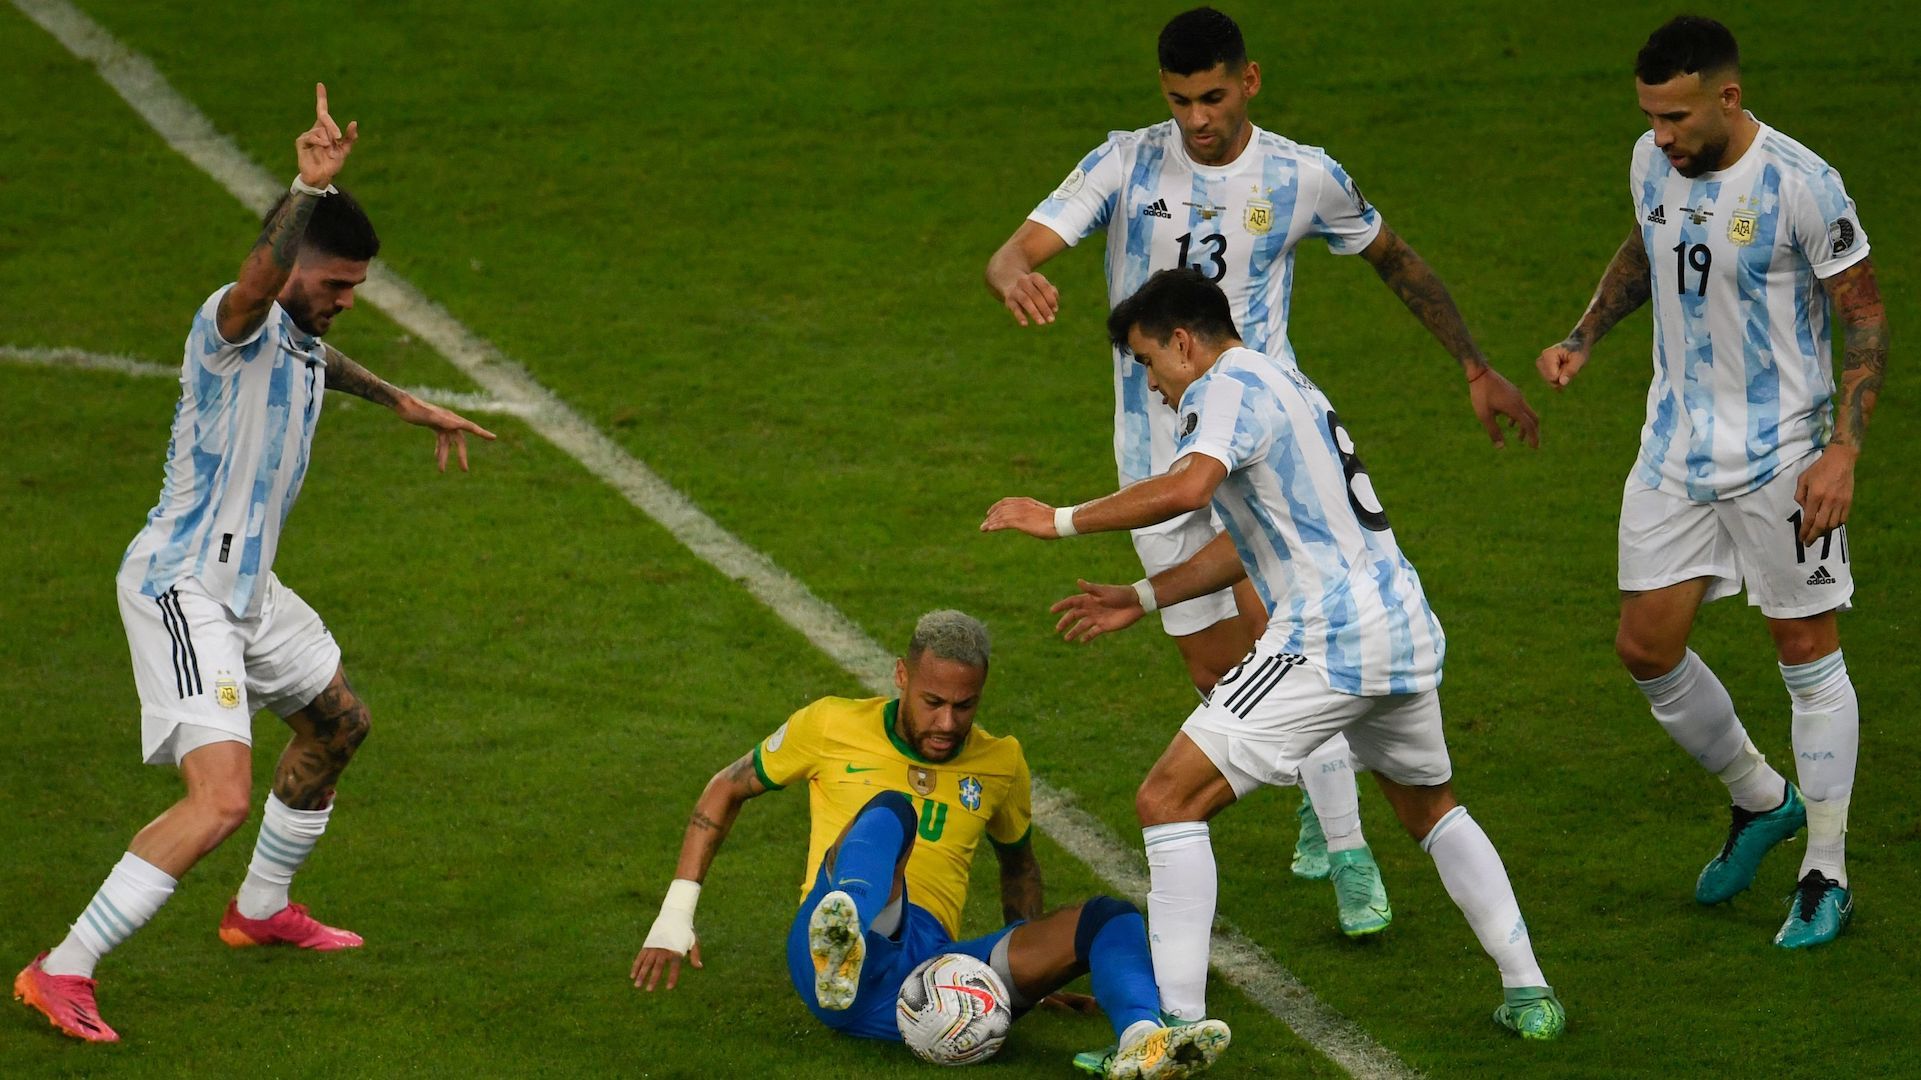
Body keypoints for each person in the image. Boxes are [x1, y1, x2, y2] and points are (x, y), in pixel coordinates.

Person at [983, 6, 1541, 930]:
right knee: (1219, 671)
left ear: (1249, 79)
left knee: (1295, 633)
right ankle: (1331, 822)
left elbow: (1393, 259)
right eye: (1178, 101)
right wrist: (1010, 272)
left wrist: (1474, 364)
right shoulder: (1126, 160)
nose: (1196, 119)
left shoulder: (1299, 174)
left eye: (1211, 96)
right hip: (1153, 459)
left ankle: (1349, 853)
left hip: (1269, 451)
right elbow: (1021, 246)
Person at [12, 85, 497, 1043]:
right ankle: (58, 968)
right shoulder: (229, 327)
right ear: (295, 267)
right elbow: (256, 286)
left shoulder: (306, 338)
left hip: (248, 589)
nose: (347, 303)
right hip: (181, 585)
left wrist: (403, 401)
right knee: (221, 798)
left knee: (339, 723)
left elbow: (320, 360)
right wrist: (302, 188)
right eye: (337, 285)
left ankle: (260, 911)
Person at [983, 269, 1565, 1039]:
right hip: (1399, 622)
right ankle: (1530, 992)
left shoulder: (1223, 391)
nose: (1152, 386)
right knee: (1429, 807)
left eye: (1148, 363)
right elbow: (1251, 537)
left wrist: (1055, 519)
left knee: (1166, 800)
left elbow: (1190, 490)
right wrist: (1145, 594)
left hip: (1329, 637)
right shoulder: (1285, 381)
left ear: (1183, 343)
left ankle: (1174, 1029)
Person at [1534, 17, 1886, 949]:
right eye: (1648, 116)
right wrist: (1582, 334)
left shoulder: (1800, 185)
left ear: (1725, 98)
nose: (1659, 135)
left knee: (1805, 652)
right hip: (1671, 452)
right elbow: (1646, 245)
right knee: (1644, 648)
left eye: (1675, 116)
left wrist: (1842, 450)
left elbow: (1865, 320)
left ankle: (1825, 870)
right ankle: (1757, 799)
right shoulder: (1654, 162)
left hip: (1781, 456)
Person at [632, 610, 1231, 1079]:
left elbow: (1018, 864)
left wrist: (1038, 974)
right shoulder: (829, 724)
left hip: (929, 977)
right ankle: (844, 939)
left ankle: (1139, 1042)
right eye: (933, 702)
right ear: (902, 676)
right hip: (837, 946)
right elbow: (724, 789)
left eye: (964, 706)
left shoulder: (1002, 760)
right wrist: (674, 915)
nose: (947, 722)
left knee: (1107, 919)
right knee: (891, 810)